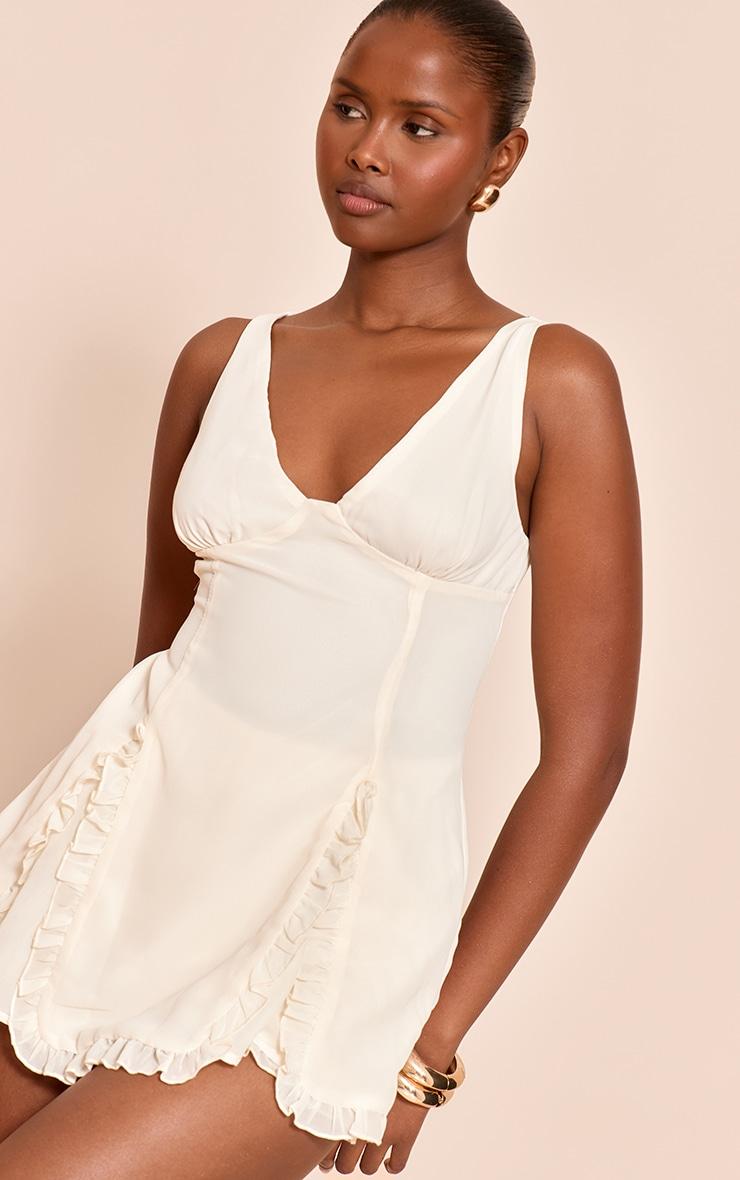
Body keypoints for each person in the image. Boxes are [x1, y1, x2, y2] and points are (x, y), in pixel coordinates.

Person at [0, 1, 642, 1176]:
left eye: (418, 126)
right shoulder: (221, 360)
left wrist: (429, 1044)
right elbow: (160, 664)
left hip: (324, 933)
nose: (366, 149)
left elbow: (585, 753)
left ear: (499, 158)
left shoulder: (547, 382)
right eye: (348, 106)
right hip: (105, 880)